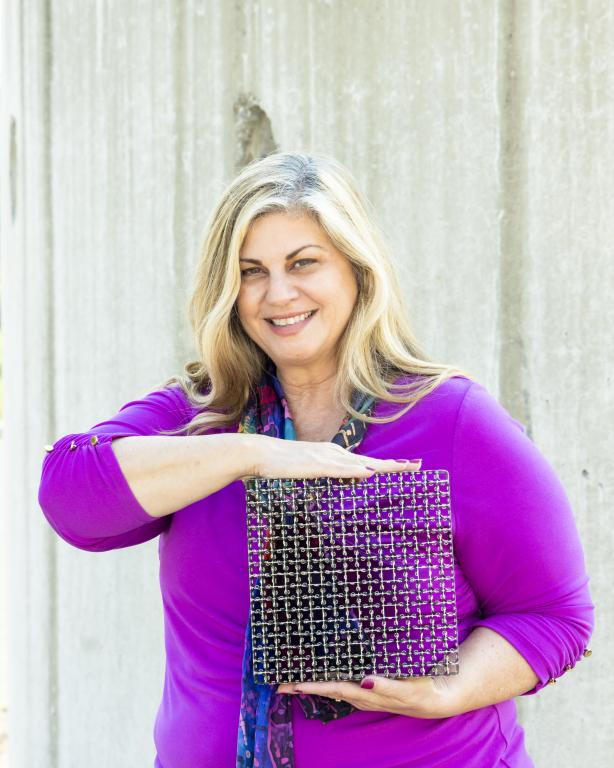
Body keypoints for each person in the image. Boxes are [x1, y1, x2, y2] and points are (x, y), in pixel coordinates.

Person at [38, 151, 594, 768]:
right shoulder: (200, 418)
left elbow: (553, 616)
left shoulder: (451, 421)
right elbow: (70, 495)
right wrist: (250, 453)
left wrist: (448, 689)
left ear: (356, 271)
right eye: (251, 271)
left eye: (303, 263)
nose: (278, 294)